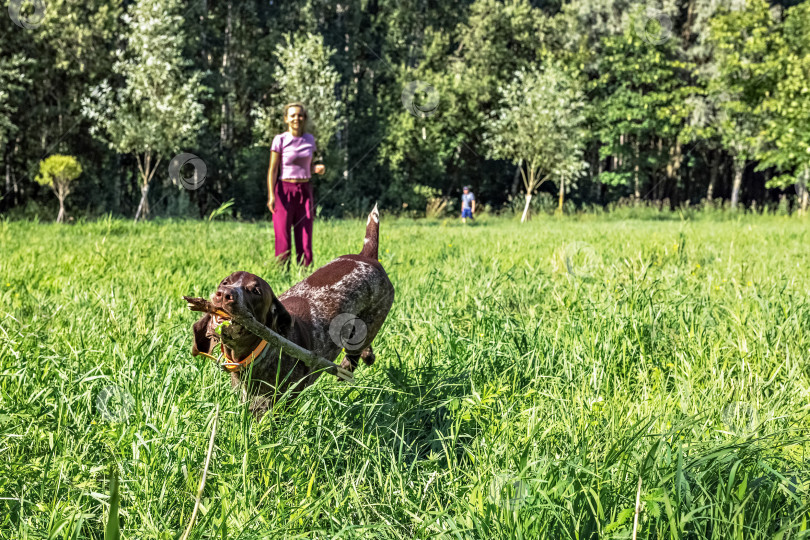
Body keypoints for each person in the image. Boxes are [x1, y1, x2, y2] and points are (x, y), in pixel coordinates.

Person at [267, 103, 325, 267]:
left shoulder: (309, 139)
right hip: (284, 191)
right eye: (292, 115)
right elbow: (273, 170)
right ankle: (281, 277)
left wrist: (316, 169)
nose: (296, 118)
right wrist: (271, 195)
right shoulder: (280, 140)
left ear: (304, 118)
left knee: (305, 240)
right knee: (283, 240)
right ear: (286, 119)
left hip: (304, 191)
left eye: (299, 115)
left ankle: (305, 278)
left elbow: (307, 166)